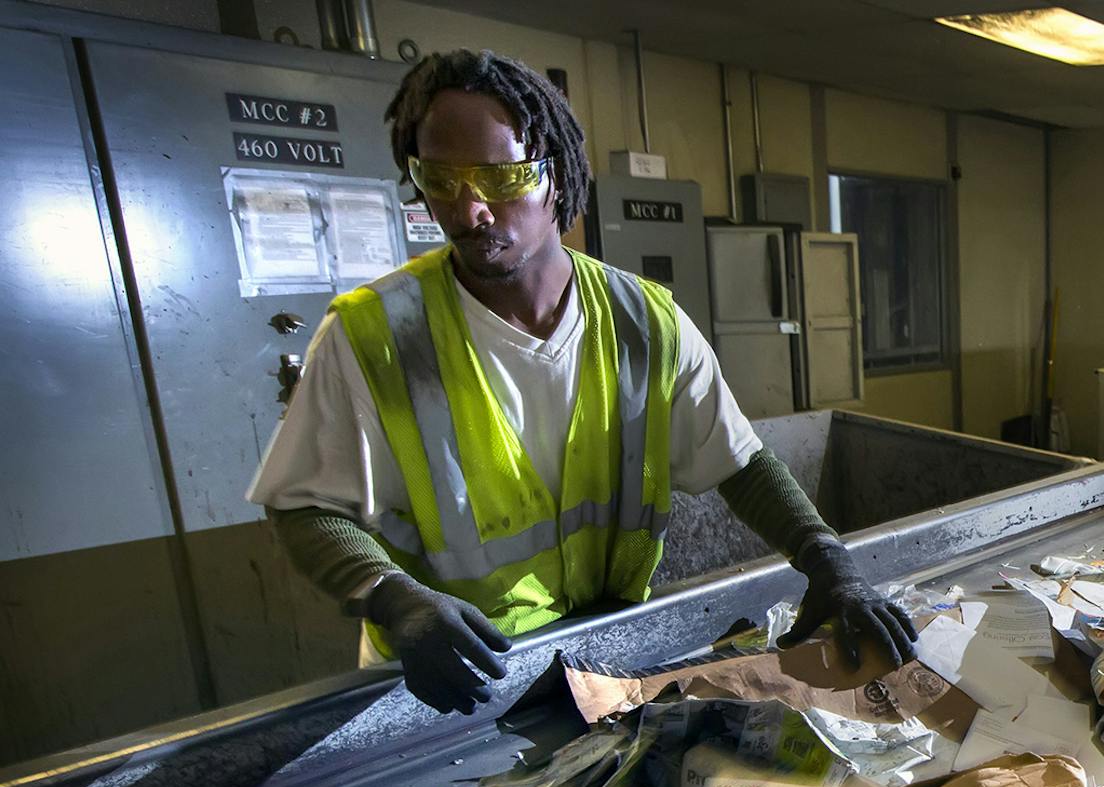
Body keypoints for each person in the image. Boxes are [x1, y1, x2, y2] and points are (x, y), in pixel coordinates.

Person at [248, 50, 914, 714]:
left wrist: (827, 558)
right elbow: (304, 505)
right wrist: (395, 600)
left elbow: (737, 462)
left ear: (556, 178)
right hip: (446, 676)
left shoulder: (644, 324)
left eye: (501, 178)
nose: (470, 210)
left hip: (595, 658)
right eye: (440, 180)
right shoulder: (375, 338)